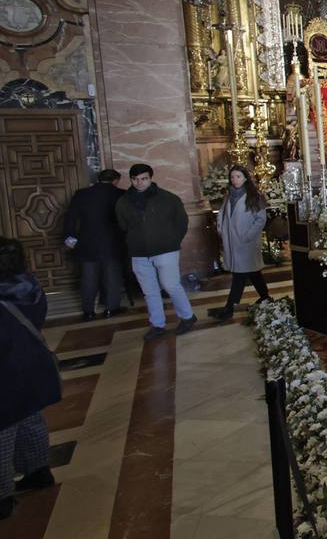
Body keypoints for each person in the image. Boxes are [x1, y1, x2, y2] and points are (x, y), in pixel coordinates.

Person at [0, 238, 59, 520]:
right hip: (33, 362)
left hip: (6, 371)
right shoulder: (30, 286)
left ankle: (1, 496)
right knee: (31, 416)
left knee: (3, 429)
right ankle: (38, 471)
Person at [117, 163, 196, 340]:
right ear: (131, 179)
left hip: (166, 249)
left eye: (143, 179)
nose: (139, 183)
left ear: (151, 178)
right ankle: (157, 324)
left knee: (171, 285)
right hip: (139, 252)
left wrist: (172, 241)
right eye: (135, 179)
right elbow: (123, 225)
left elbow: (181, 222)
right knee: (149, 291)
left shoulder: (168, 198)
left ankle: (187, 317)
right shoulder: (123, 202)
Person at [208, 165, 272, 322]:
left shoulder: (255, 196)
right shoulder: (229, 195)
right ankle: (265, 297)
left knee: (240, 275)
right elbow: (222, 213)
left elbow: (261, 219)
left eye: (238, 177)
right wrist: (221, 229)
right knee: (252, 272)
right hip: (232, 241)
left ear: (245, 178)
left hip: (246, 242)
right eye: (232, 177)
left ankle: (229, 308)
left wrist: (248, 235)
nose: (234, 180)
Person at [63, 168, 127, 320]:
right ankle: (111, 308)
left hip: (87, 242)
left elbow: (70, 219)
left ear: (99, 179)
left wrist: (70, 241)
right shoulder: (122, 194)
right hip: (113, 242)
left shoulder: (81, 194)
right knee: (112, 276)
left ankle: (88, 311)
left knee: (88, 277)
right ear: (116, 181)